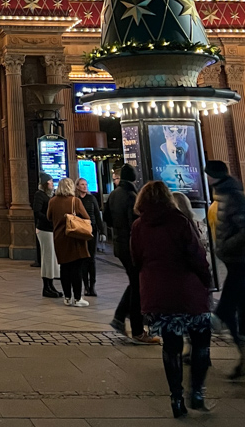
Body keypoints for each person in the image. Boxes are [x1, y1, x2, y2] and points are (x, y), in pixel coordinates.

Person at [131, 181, 212, 417]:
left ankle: (176, 398)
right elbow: (197, 256)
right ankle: (197, 391)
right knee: (200, 343)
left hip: (159, 294)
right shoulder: (180, 222)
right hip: (189, 293)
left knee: (171, 346)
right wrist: (206, 281)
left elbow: (136, 260)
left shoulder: (138, 226)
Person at [104, 164, 157, 344]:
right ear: (134, 178)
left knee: (135, 282)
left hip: (119, 245)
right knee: (138, 287)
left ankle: (119, 318)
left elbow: (107, 219)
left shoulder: (113, 195)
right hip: (131, 247)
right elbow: (136, 226)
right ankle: (137, 330)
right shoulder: (131, 196)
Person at [204, 159, 245, 379]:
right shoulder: (224, 193)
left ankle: (218, 319)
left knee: (232, 306)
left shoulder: (233, 196)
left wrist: (227, 245)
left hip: (239, 260)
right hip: (233, 260)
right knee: (238, 307)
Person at [46, 177, 91, 306]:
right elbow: (86, 217)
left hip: (59, 238)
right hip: (74, 238)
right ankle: (77, 298)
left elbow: (49, 217)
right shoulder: (75, 201)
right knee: (76, 269)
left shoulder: (52, 201)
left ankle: (66, 297)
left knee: (64, 268)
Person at [33, 173, 61, 298]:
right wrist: (49, 219)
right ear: (45, 183)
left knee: (51, 259)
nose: (52, 183)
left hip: (51, 230)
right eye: (50, 181)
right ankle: (46, 287)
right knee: (47, 258)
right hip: (44, 230)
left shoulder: (51, 195)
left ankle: (51, 285)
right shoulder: (40, 195)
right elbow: (37, 212)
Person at [76, 177, 105, 297]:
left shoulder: (91, 198)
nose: (84, 186)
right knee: (83, 258)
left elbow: (97, 215)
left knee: (91, 259)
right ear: (77, 186)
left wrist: (101, 231)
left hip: (92, 229)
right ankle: (86, 286)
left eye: (85, 184)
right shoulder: (76, 200)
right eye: (82, 184)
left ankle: (92, 286)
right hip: (80, 230)